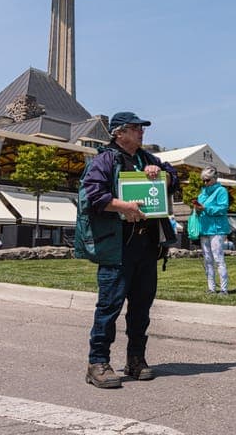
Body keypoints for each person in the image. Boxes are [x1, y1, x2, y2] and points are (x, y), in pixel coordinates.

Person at [82, 111, 178, 390]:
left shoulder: (147, 159)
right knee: (109, 307)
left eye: (141, 128)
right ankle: (97, 363)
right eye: (135, 128)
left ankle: (136, 359)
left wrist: (162, 174)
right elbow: (93, 194)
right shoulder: (105, 159)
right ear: (118, 133)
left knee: (142, 308)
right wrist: (123, 206)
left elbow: (173, 176)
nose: (141, 132)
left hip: (147, 247)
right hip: (117, 247)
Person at [194, 165, 231, 295]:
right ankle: (211, 288)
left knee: (218, 258)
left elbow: (223, 208)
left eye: (207, 180)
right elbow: (200, 210)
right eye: (203, 180)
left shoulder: (221, 191)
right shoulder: (202, 193)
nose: (205, 183)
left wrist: (205, 209)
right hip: (204, 229)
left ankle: (224, 289)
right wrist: (197, 210)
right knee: (208, 259)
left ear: (215, 178)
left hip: (217, 229)